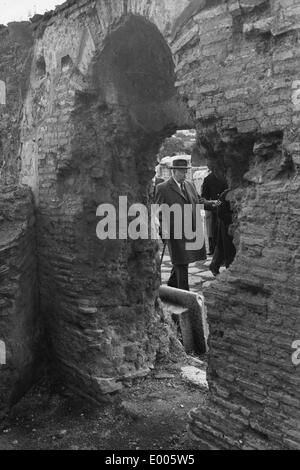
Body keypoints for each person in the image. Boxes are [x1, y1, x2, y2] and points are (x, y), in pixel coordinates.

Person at [155, 159, 206, 291]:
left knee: (181, 262)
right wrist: (164, 234)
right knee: (182, 263)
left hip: (190, 230)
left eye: (186, 172)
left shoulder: (190, 185)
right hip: (174, 233)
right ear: (174, 171)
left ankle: (171, 287)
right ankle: (185, 295)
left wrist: (212, 203)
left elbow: (197, 200)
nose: (185, 174)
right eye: (182, 172)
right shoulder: (163, 188)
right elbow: (159, 213)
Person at [209, 188, 236, 276]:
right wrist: (234, 217)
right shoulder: (224, 195)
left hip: (232, 224)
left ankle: (214, 265)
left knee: (222, 246)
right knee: (227, 247)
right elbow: (220, 211)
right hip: (226, 226)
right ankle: (226, 268)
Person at [201, 164, 227, 254]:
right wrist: (213, 203)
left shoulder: (227, 176)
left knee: (221, 231)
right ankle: (214, 249)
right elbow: (204, 198)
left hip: (224, 209)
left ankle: (217, 251)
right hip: (215, 209)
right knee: (214, 230)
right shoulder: (208, 179)